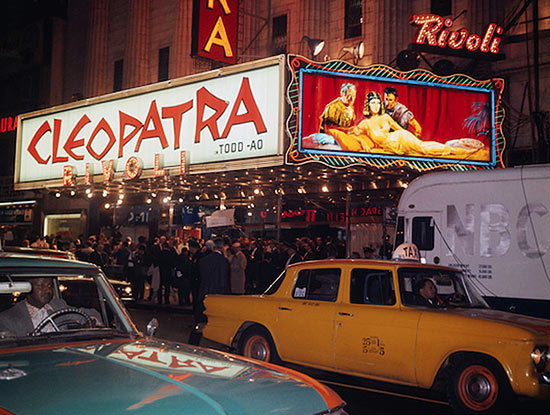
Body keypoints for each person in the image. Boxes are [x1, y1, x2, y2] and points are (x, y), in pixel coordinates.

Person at [354, 91, 480, 158]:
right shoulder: (365, 123)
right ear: (368, 105)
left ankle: (457, 150)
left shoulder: (386, 117)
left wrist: (413, 135)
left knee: (422, 148)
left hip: (400, 139)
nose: (375, 106)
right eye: (372, 103)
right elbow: (352, 133)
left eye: (377, 102)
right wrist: (362, 141)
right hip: (391, 145)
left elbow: (399, 130)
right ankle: (455, 149)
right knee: (422, 148)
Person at [0, 278, 102, 337]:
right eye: (41, 286)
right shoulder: (8, 318)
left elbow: (91, 314)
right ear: (27, 288)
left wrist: (91, 321)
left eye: (49, 286)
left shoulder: (58, 306)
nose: (47, 291)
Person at [318, 83, 370, 152]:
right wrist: (348, 131)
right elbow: (328, 128)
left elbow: (351, 126)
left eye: (353, 96)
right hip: (335, 134)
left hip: (346, 134)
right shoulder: (333, 107)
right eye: (348, 96)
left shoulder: (351, 108)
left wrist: (354, 130)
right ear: (342, 94)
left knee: (366, 140)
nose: (351, 99)